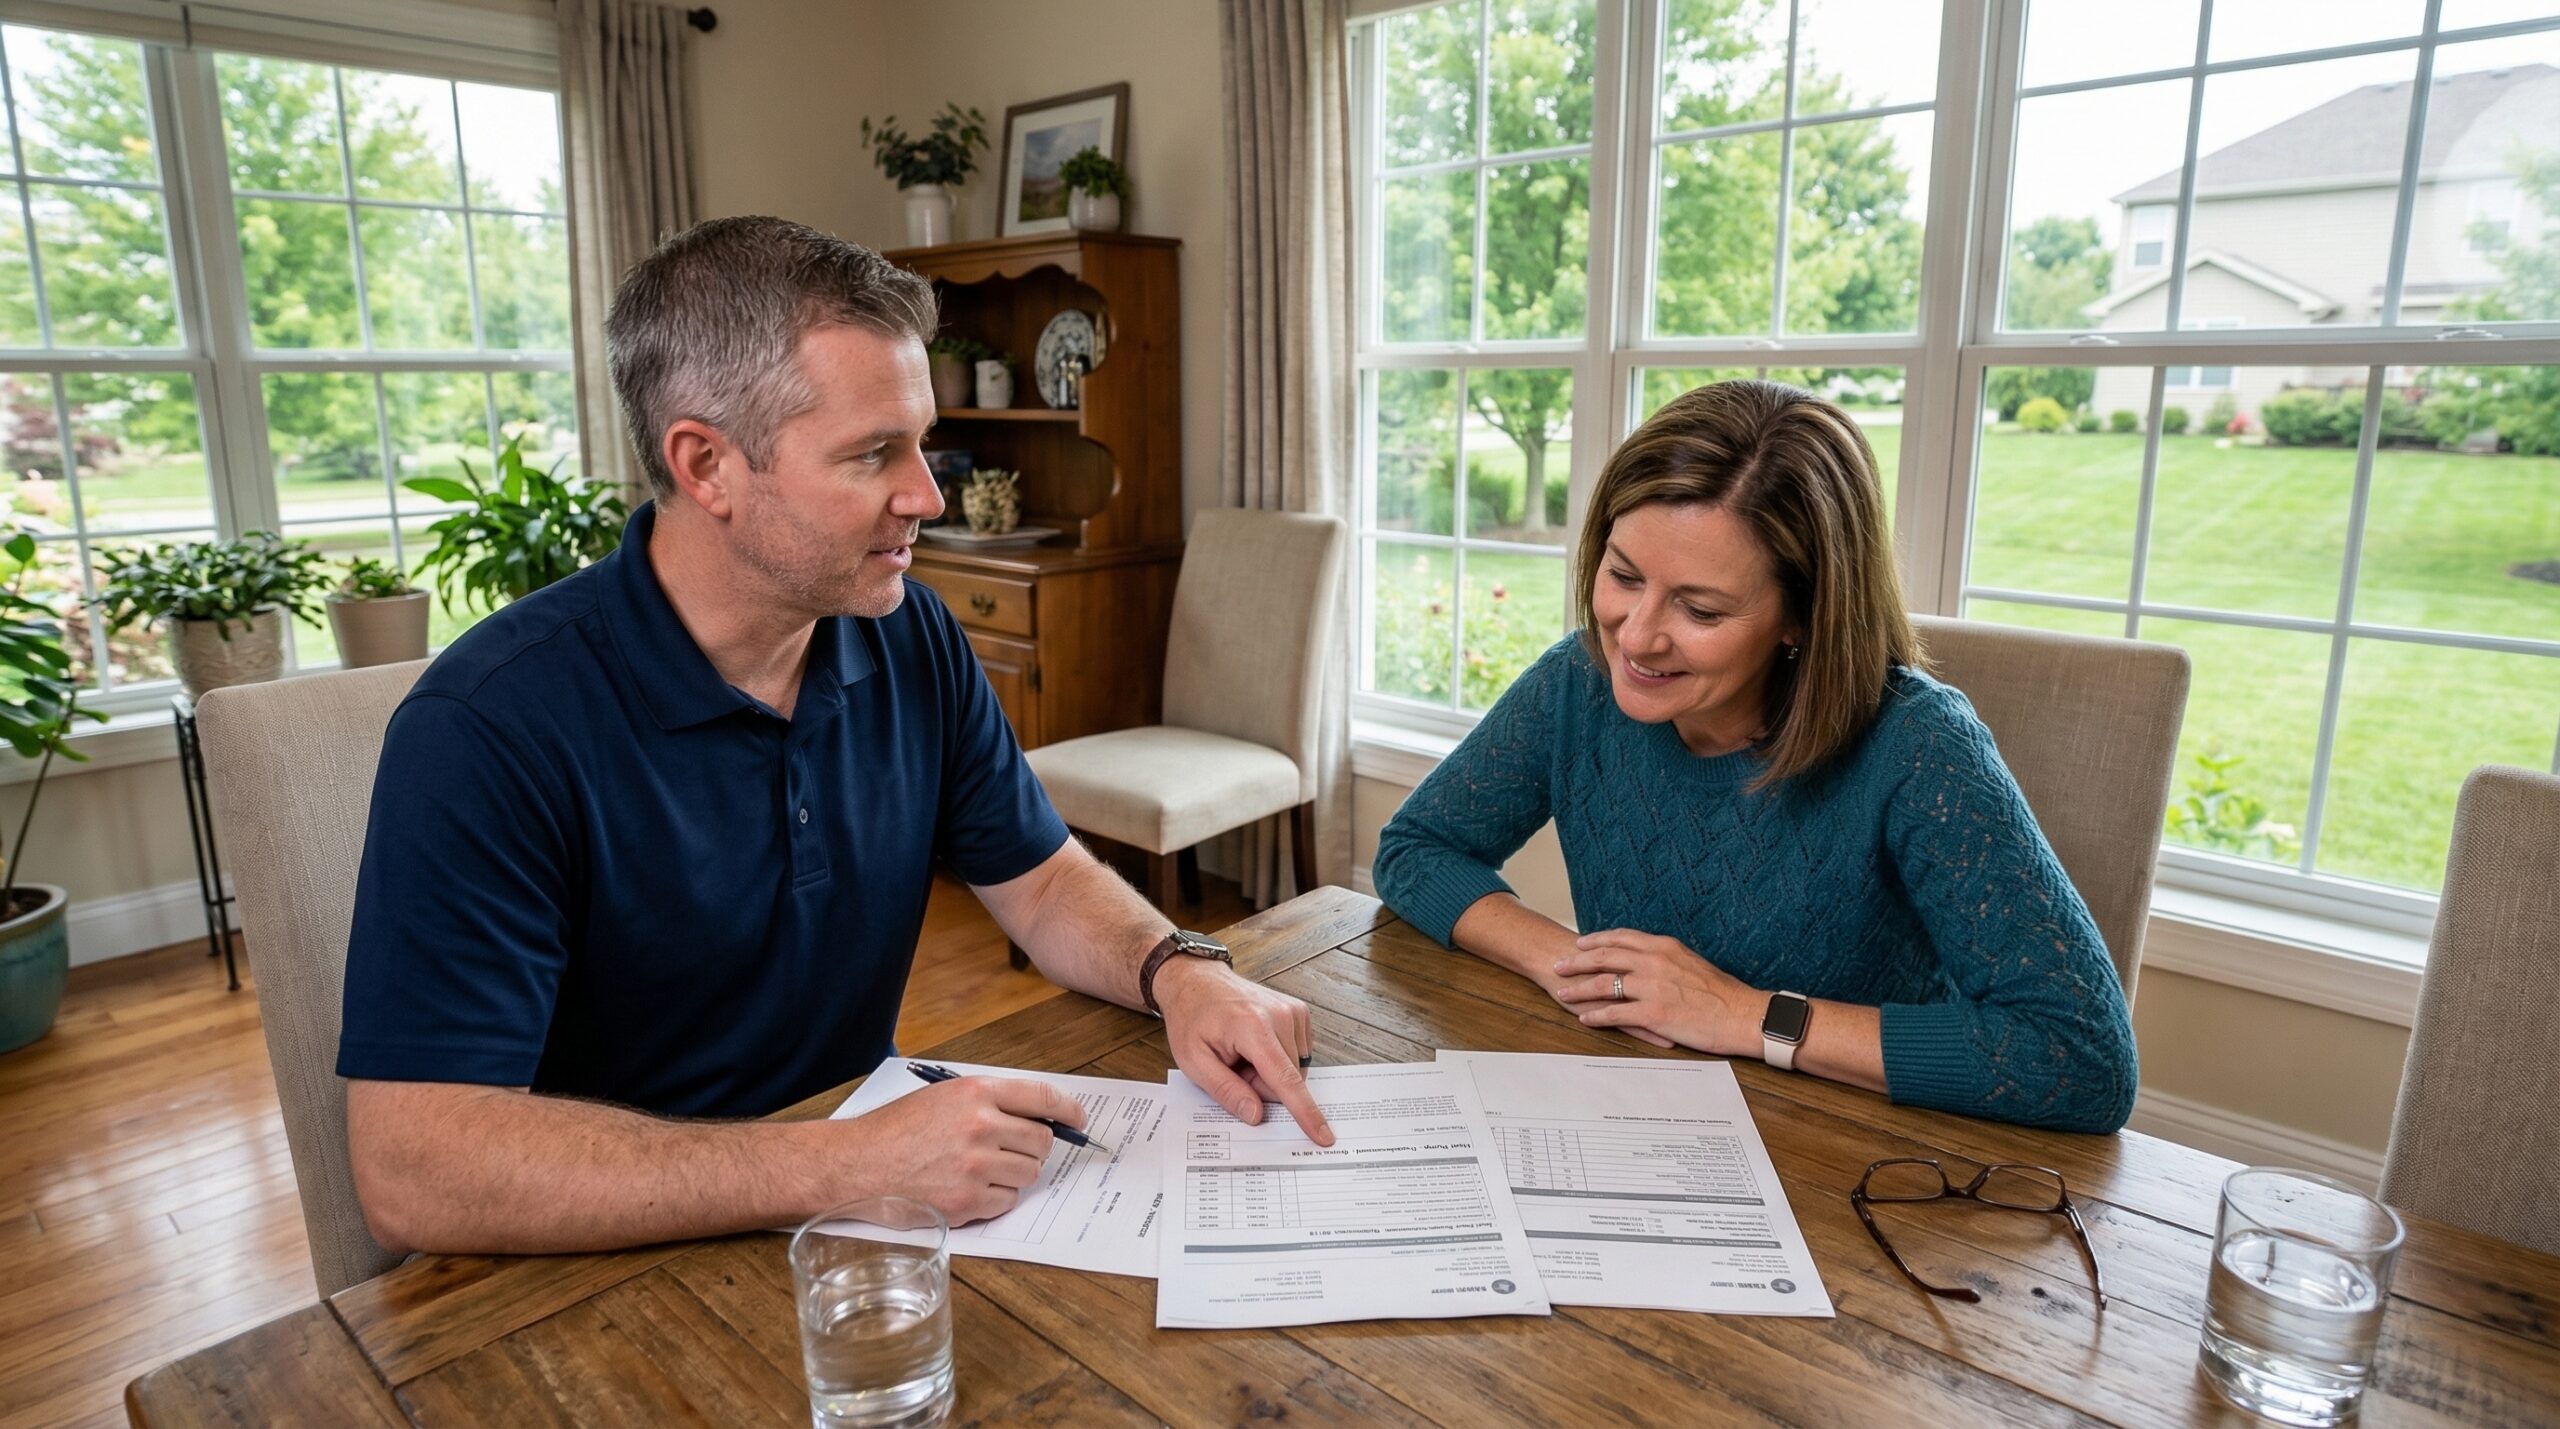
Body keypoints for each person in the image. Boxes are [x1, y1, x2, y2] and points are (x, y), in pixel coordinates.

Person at [337, 217, 1332, 1257]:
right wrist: (847, 1163)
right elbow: (416, 1170)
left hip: (869, 1222)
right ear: (707, 464)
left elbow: (1037, 882)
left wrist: (1181, 967)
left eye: (921, 442)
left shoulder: (906, 633)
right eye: (873, 454)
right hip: (608, 1257)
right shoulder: (486, 729)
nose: (929, 497)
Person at [1373, 379, 2137, 1134]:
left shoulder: (1920, 746)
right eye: (1623, 574)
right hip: (1633, 1119)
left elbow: (2082, 1056)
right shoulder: (1578, 682)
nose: (1635, 635)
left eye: (1700, 609)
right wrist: (1572, 963)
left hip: (1853, 1154)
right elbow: (1416, 849)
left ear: (1802, 617)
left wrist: (1740, 1014)